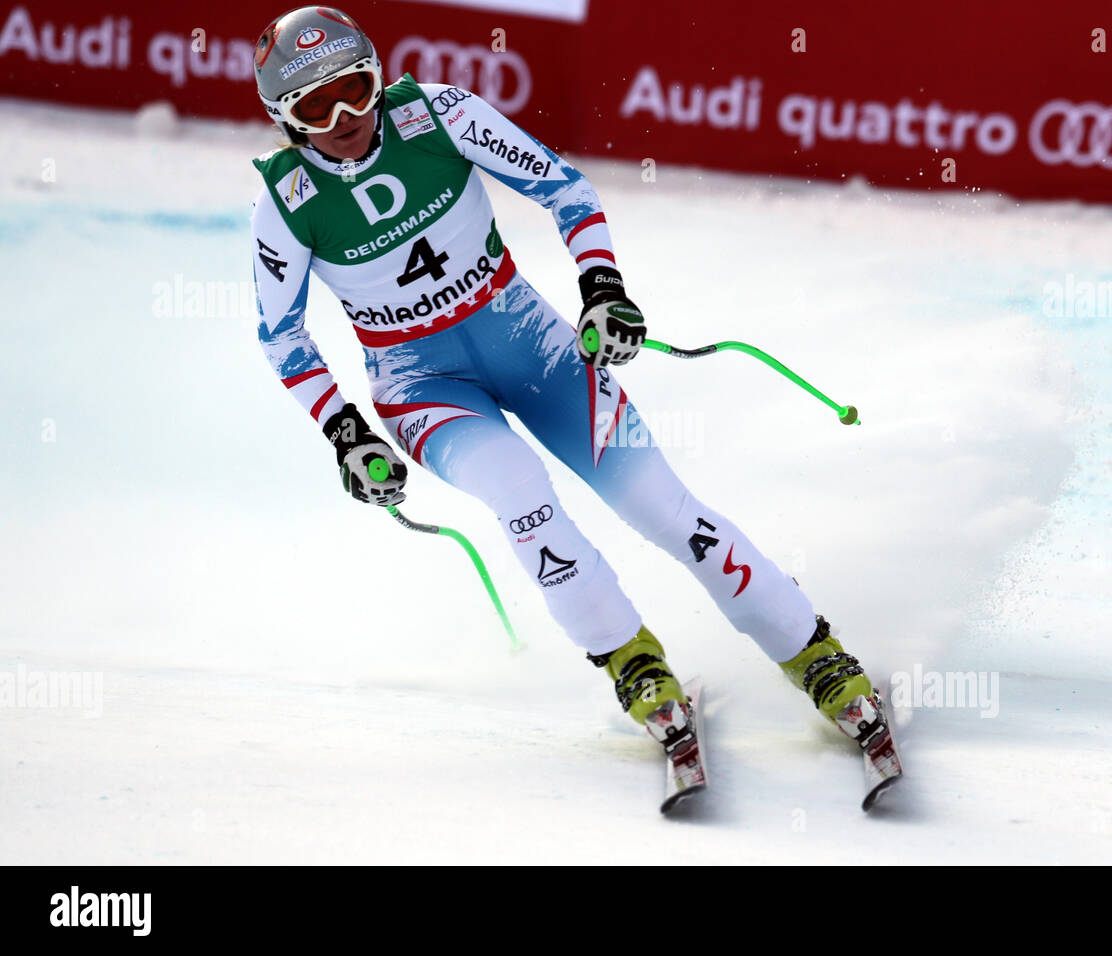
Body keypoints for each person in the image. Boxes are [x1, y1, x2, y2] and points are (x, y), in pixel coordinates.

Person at [249, 6, 897, 764]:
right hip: (423, 390)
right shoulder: (283, 206)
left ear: (379, 74)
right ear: (284, 120)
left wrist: (603, 290)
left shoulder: (442, 114)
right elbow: (282, 337)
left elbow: (567, 190)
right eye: (315, 107)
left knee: (662, 508)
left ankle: (817, 658)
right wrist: (347, 434)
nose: (346, 118)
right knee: (521, 493)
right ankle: (634, 665)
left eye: (356, 89)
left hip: (537, 349)